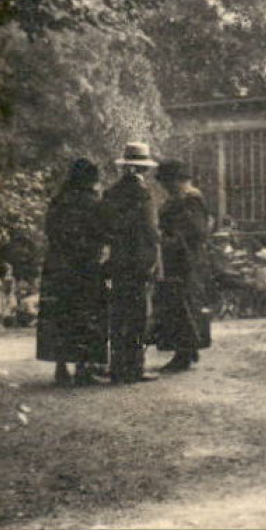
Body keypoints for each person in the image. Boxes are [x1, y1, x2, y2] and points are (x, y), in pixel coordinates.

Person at [35, 158, 110, 386]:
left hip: (58, 265)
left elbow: (50, 230)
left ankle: (60, 366)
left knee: (60, 314)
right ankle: (83, 367)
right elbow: (103, 232)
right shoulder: (93, 203)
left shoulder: (58, 201)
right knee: (86, 313)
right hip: (84, 266)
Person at [103, 142, 162, 384]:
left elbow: (105, 227)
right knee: (138, 315)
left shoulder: (111, 193)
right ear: (144, 169)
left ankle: (117, 367)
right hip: (139, 262)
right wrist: (153, 259)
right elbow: (150, 230)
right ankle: (135, 367)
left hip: (118, 260)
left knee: (118, 314)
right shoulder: (143, 194)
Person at [152, 160, 213, 373]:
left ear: (179, 180)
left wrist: (168, 240)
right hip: (176, 258)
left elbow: (196, 232)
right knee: (176, 304)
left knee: (185, 304)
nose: (165, 187)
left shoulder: (191, 200)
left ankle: (184, 353)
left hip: (187, 260)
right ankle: (186, 349)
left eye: (168, 182)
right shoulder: (177, 200)